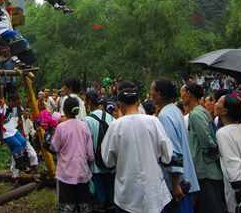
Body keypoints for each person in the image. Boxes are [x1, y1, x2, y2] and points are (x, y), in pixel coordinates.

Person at [101, 81, 174, 213]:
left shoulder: (115, 126)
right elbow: (168, 155)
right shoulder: (153, 121)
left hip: (127, 193)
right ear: (138, 102)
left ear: (120, 105)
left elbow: (107, 160)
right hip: (154, 191)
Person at [151, 80, 200, 213]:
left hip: (179, 184)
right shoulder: (175, 110)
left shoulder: (165, 116)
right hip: (187, 179)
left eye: (152, 91)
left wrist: (175, 184)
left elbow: (174, 151)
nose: (150, 94)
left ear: (160, 94)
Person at [180, 82, 225, 213]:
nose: (181, 96)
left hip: (205, 170)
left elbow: (206, 141)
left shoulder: (196, 114)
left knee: (211, 206)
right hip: (208, 169)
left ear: (189, 94)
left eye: (182, 92)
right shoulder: (201, 111)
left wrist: (212, 155)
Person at [51, 96, 94, 212]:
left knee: (67, 207)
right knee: (84, 206)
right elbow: (90, 154)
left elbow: (54, 147)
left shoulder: (61, 127)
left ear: (64, 110)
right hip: (82, 172)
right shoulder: (84, 126)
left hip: (65, 174)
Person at [84, 89, 115, 213]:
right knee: (110, 193)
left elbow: (86, 144)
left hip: (95, 164)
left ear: (89, 102)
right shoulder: (111, 118)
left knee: (99, 195)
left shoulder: (87, 120)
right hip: (111, 163)